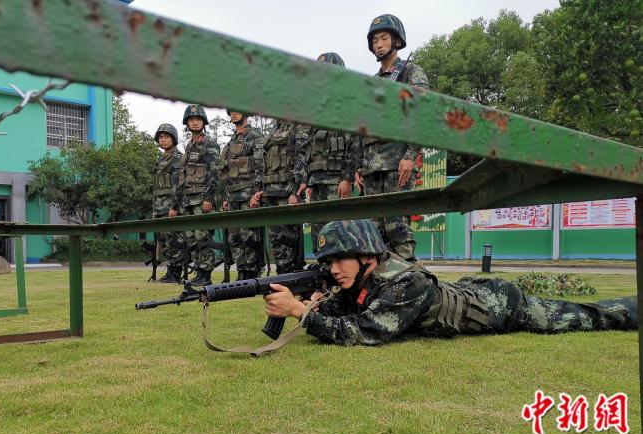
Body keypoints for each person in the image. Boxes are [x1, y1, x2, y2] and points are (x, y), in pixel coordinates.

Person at [263, 219, 637, 346]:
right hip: (468, 292)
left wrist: (300, 312)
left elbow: (367, 331)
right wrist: (316, 303)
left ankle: (632, 308)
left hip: (500, 307)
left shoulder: (405, 282)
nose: (333, 270)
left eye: (338, 260)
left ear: (367, 256)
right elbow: (343, 312)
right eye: (327, 264)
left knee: (586, 315)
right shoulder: (363, 280)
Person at [357, 14, 430, 262]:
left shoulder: (410, 71)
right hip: (371, 169)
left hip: (397, 165)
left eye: (384, 38)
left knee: (398, 229)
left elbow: (420, 114)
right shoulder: (374, 82)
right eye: (375, 40)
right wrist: (360, 166)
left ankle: (411, 285)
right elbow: (364, 127)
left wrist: (410, 156)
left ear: (396, 41)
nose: (378, 44)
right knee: (374, 232)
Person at [307, 53, 359, 251]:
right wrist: (310, 180)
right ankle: (323, 272)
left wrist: (347, 179)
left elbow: (354, 145)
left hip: (336, 182)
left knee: (338, 232)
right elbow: (310, 149)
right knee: (318, 233)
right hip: (317, 182)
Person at [252, 118, 309, 274]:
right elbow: (265, 163)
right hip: (271, 192)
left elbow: (302, 157)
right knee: (276, 238)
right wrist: (261, 189)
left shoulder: (297, 127)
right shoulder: (273, 130)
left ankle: (292, 274)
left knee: (289, 236)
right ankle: (282, 273)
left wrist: (296, 192)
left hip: (288, 191)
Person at [177, 105, 220, 286]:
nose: (195, 122)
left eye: (198, 119)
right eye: (191, 119)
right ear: (187, 123)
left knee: (203, 238)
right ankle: (199, 270)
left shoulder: (209, 143)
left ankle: (205, 274)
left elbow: (214, 172)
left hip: (202, 199)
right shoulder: (188, 146)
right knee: (190, 238)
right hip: (188, 200)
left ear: (203, 122)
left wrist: (209, 198)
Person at [221, 109, 266, 280]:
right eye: (231, 111)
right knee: (234, 237)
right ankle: (241, 270)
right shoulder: (231, 141)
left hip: (249, 194)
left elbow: (260, 165)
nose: (234, 113)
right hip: (233, 196)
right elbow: (227, 172)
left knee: (249, 235)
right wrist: (226, 197)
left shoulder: (255, 135)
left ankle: (252, 271)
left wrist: (258, 192)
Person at [152, 123, 186, 283]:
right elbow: (156, 187)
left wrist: (174, 207)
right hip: (159, 208)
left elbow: (179, 185)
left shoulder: (177, 158)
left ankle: (175, 273)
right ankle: (169, 272)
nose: (163, 140)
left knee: (174, 241)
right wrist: (154, 210)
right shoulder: (159, 160)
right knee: (164, 242)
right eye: (161, 137)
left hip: (171, 208)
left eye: (166, 137)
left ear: (174, 138)